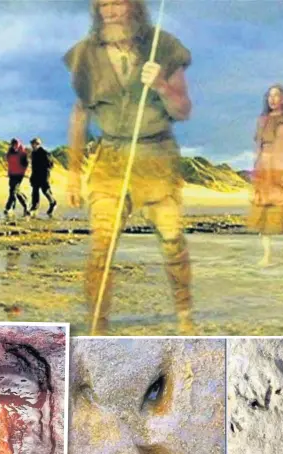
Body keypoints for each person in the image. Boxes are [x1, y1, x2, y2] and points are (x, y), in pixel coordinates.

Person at [64, 0, 193, 334]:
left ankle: (184, 318)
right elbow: (80, 115)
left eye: (117, 3)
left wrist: (162, 85)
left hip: (157, 158)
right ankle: (97, 327)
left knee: (172, 241)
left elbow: (182, 110)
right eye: (103, 5)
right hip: (110, 159)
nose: (109, 12)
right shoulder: (85, 54)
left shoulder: (163, 46)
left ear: (134, 7)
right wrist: (74, 173)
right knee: (101, 248)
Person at [247, 84, 283, 267]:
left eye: (276, 95)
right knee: (263, 212)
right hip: (264, 169)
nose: (272, 99)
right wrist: (254, 169)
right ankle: (266, 255)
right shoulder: (262, 120)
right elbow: (258, 147)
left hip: (281, 168)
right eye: (269, 95)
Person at [29, 137, 57, 217]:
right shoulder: (33, 153)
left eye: (33, 144)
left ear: (37, 144)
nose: (32, 146)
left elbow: (51, 165)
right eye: (31, 144)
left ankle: (53, 202)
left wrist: (45, 171)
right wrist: (32, 176)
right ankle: (34, 207)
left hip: (44, 176)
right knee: (35, 192)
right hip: (35, 176)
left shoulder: (44, 153)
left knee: (45, 191)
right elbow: (33, 166)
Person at [4, 138, 29, 218]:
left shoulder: (22, 153)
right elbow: (9, 162)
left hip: (19, 174)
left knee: (13, 191)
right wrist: (9, 172)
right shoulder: (10, 152)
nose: (14, 146)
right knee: (14, 191)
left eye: (16, 145)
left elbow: (26, 164)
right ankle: (26, 204)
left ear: (18, 144)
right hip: (12, 174)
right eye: (13, 144)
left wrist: (24, 173)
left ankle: (8, 208)